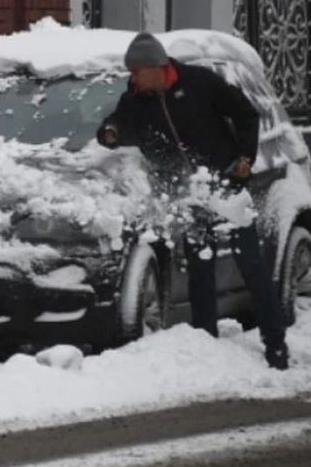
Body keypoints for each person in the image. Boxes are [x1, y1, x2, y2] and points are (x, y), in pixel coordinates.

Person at [97, 32, 289, 370]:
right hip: (189, 195)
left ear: (155, 67)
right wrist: (110, 132)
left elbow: (246, 113)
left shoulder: (200, 82)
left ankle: (275, 344)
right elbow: (116, 126)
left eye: (136, 72)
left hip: (226, 186)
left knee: (252, 267)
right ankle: (207, 346)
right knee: (200, 269)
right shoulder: (135, 100)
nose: (132, 79)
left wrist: (245, 157)